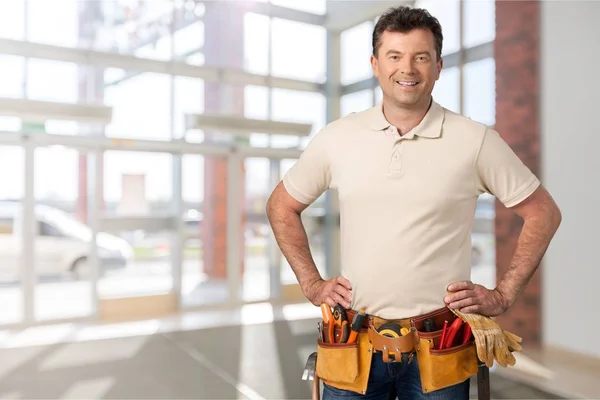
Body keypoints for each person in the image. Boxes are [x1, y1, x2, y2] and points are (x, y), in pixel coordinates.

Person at [266, 5, 561, 400]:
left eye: (421, 57)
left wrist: (503, 294)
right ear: (375, 64)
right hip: (353, 345)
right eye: (395, 56)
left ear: (438, 66)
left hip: (438, 349)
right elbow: (280, 205)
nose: (408, 69)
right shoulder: (337, 138)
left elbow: (543, 212)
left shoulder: (475, 141)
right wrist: (312, 283)